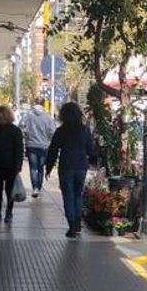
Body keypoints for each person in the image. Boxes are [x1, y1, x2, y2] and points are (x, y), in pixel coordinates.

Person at [46, 102, 94, 238]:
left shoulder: (61, 131)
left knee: (68, 196)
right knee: (78, 195)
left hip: (66, 166)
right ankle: (77, 222)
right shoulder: (85, 130)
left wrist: (48, 167)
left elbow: (53, 150)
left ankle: (72, 226)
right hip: (81, 166)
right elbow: (90, 150)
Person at [0, 104, 23, 223]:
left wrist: (18, 166)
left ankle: (8, 211)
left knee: (9, 190)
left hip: (10, 165)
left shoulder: (15, 131)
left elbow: (19, 150)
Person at [20, 97, 55, 198]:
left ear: (35, 103)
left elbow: (21, 126)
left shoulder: (28, 115)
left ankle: (35, 188)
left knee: (33, 167)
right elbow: (53, 131)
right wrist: (48, 139)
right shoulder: (48, 117)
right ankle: (39, 187)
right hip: (44, 145)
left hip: (31, 145)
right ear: (43, 104)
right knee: (41, 167)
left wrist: (26, 135)